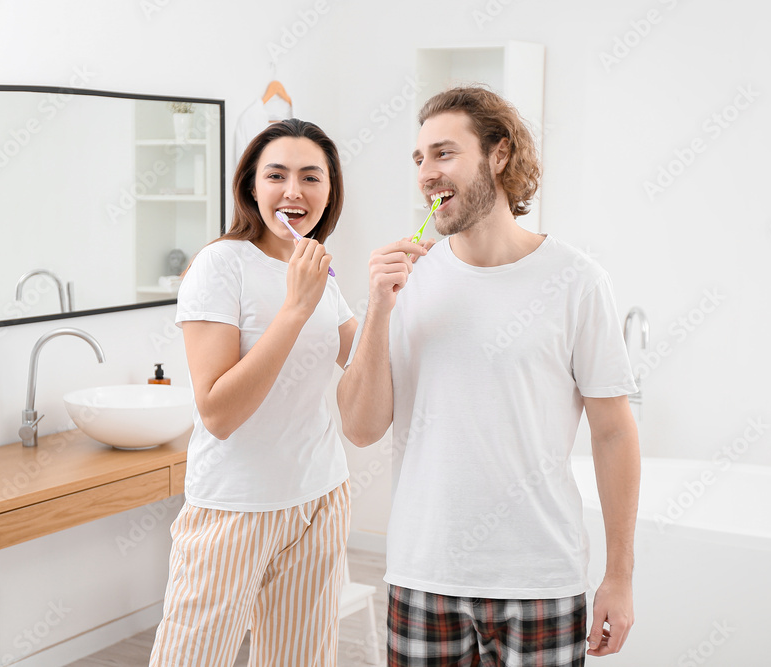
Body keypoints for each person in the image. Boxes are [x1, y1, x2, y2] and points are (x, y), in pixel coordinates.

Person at [337, 87, 641, 666]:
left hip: (540, 579)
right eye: (419, 159)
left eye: (444, 154)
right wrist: (378, 307)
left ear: (499, 155)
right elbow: (359, 426)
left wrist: (618, 577)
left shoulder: (577, 281)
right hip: (424, 574)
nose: (427, 173)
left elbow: (614, 433)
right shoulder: (407, 282)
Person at [150, 118, 358, 667]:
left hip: (320, 497)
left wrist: (391, 299)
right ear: (251, 187)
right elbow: (218, 412)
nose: (294, 190)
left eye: (312, 177)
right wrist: (295, 308)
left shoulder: (316, 269)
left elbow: (365, 363)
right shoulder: (220, 266)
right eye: (277, 175)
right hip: (236, 507)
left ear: (329, 191)